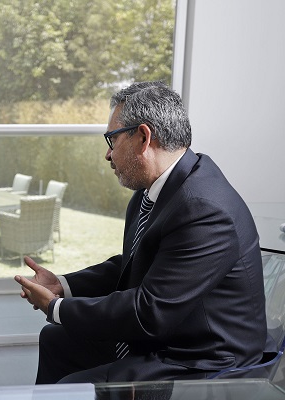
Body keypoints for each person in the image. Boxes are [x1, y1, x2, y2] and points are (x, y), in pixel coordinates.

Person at [15, 81, 269, 384]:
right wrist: (63, 285)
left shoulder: (203, 209)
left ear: (143, 137)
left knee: (72, 387)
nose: (107, 155)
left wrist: (57, 307)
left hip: (201, 360)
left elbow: (149, 312)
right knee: (56, 340)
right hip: (168, 335)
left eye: (112, 139)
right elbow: (133, 265)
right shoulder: (155, 189)